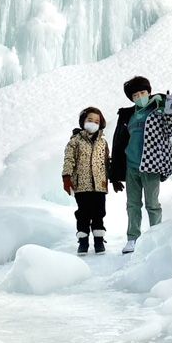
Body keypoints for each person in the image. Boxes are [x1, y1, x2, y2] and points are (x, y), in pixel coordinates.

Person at [109, 76, 172, 254]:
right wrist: (115, 172)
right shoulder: (129, 116)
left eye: (143, 92)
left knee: (152, 204)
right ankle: (133, 238)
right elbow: (119, 142)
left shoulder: (158, 110)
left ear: (149, 92)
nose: (139, 96)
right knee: (132, 204)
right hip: (131, 166)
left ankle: (156, 237)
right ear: (132, 98)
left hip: (151, 165)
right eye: (135, 95)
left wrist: (170, 110)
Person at [62, 106, 111, 254]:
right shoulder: (75, 141)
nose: (93, 123)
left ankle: (98, 241)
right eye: (90, 120)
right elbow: (69, 159)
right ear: (83, 121)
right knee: (83, 213)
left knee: (99, 213)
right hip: (81, 185)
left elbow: (106, 161)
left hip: (99, 185)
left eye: (96, 121)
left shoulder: (103, 142)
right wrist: (66, 177)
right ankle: (83, 242)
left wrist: (113, 178)